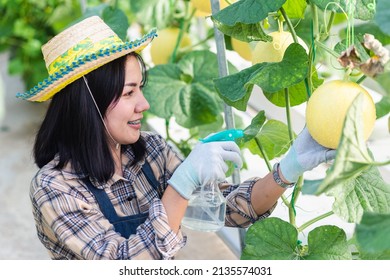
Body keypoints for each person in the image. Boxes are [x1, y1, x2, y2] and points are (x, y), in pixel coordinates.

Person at [17, 16, 335, 260]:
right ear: (90, 103)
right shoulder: (55, 189)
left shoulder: (151, 152)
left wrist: (288, 169)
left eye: (141, 88)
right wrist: (181, 186)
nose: (144, 104)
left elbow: (229, 208)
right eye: (130, 92)